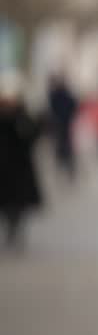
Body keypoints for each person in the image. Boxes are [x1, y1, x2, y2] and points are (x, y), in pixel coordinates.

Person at [0, 74, 42, 251]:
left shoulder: (23, 115)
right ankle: (10, 228)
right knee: (5, 202)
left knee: (19, 203)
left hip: (20, 167)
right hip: (3, 167)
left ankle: (16, 228)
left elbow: (33, 135)